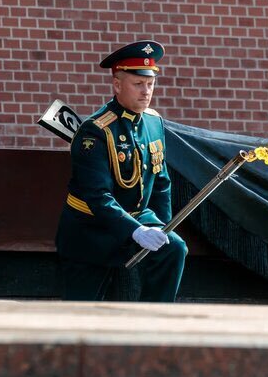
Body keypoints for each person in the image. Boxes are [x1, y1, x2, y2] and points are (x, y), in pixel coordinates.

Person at [55, 40, 187, 302]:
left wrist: (160, 226)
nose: (146, 91)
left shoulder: (153, 122)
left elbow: (161, 183)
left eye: (150, 84)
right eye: (138, 84)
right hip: (92, 231)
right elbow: (98, 197)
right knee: (80, 316)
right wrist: (136, 232)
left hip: (138, 218)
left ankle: (156, 322)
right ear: (117, 85)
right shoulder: (96, 131)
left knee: (173, 248)